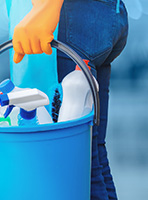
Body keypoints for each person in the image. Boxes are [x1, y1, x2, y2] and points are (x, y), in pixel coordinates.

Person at [7, 0, 128, 199]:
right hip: (105, 13)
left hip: (69, 18)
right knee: (91, 157)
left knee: (67, 164)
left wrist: (45, 6)